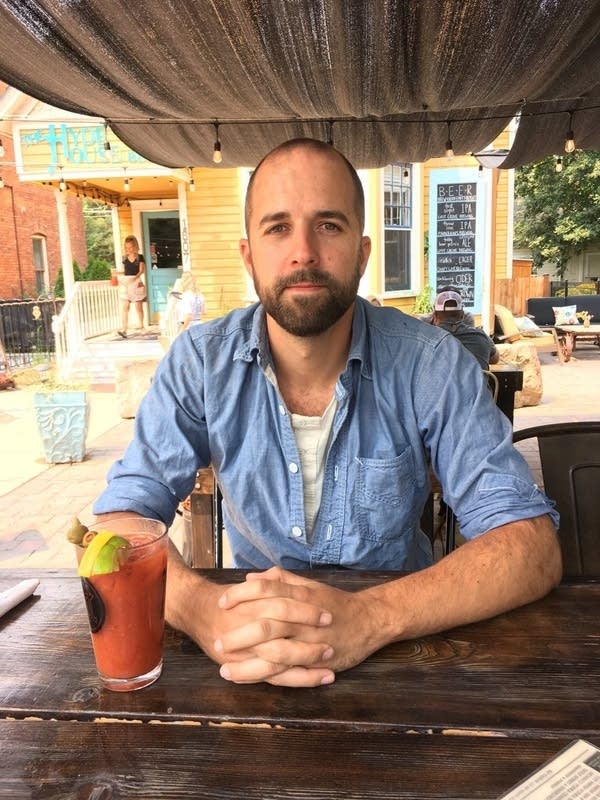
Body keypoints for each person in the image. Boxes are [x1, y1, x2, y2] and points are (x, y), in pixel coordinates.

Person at [94, 138, 561, 688]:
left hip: (403, 654)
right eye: (277, 228)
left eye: (329, 226)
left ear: (363, 253)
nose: (304, 253)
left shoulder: (430, 363)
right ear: (249, 256)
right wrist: (204, 612)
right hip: (246, 653)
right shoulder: (200, 363)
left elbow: (531, 545)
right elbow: (118, 524)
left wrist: (369, 618)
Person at [431, 288, 499, 369]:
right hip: (475, 382)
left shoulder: (426, 340)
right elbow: (495, 359)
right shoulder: (480, 337)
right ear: (462, 315)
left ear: (435, 316)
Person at [117, 235, 146, 338]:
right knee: (125, 306)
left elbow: (141, 270)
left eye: (131, 247)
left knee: (138, 307)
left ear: (135, 246)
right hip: (127, 282)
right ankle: (124, 329)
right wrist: (116, 273)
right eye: (127, 248)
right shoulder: (124, 258)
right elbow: (125, 271)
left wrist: (135, 278)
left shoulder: (140, 257)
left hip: (136, 281)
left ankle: (142, 326)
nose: (129, 249)